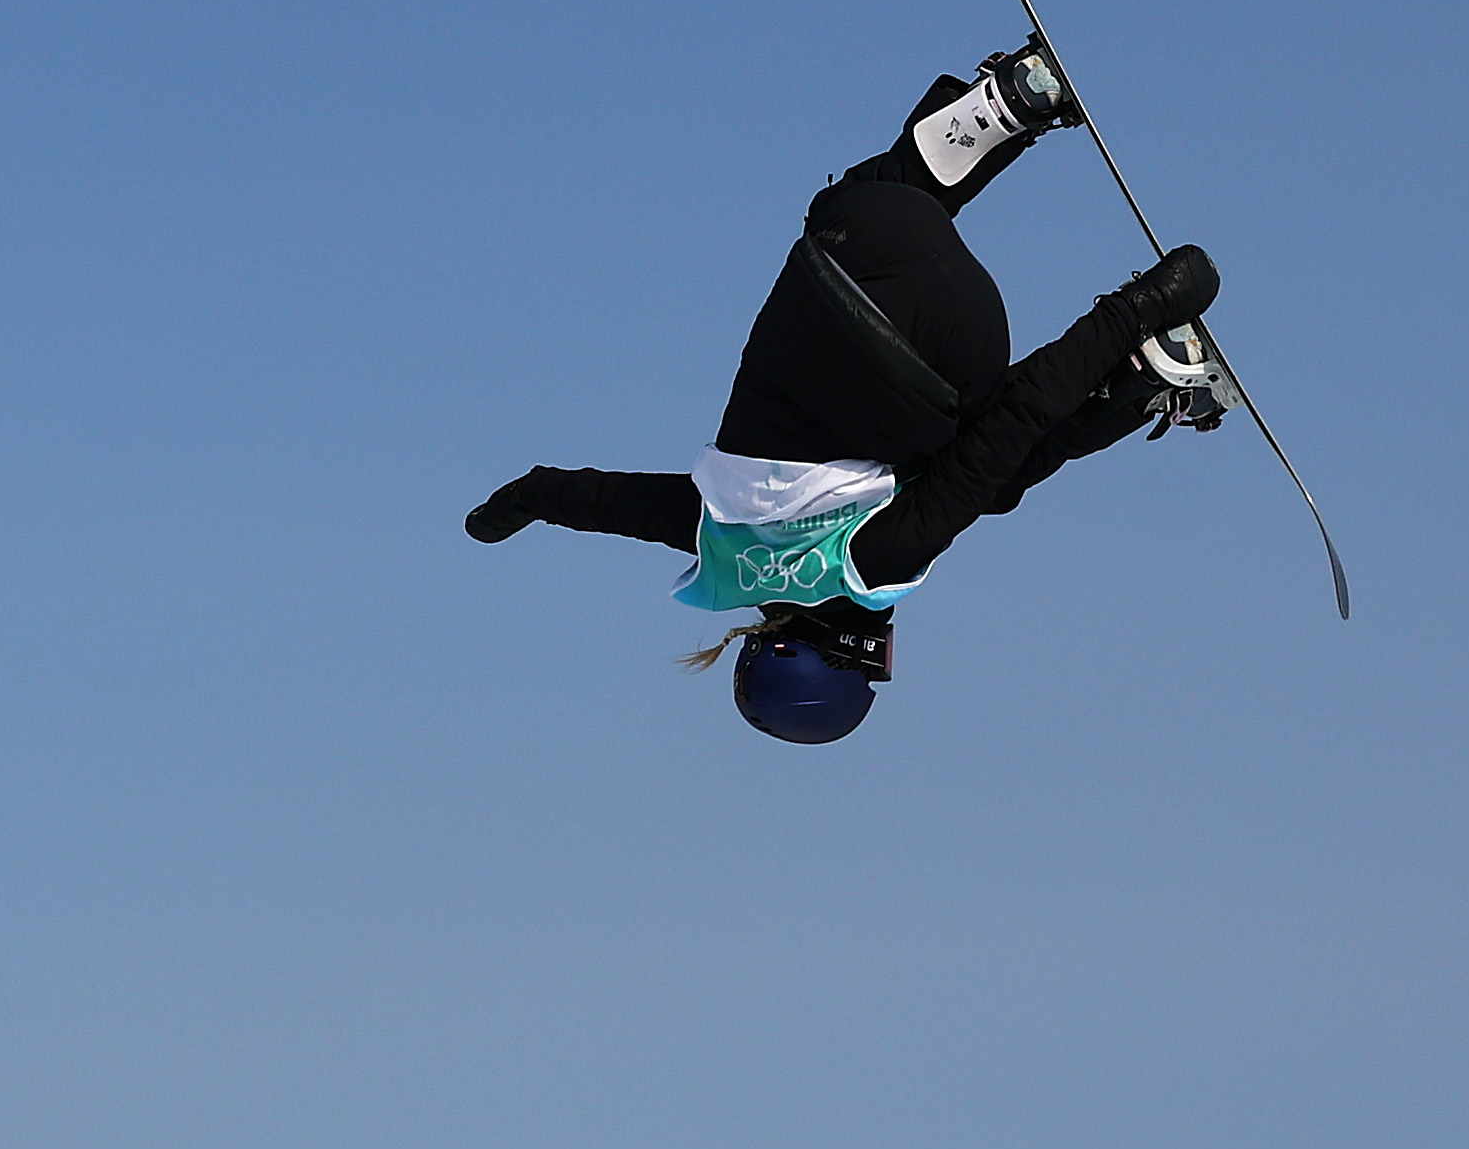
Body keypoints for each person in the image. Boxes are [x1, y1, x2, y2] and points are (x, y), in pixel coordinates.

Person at [465, 48, 1230, 743]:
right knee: (868, 207)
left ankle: (1146, 370)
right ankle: (1004, 105)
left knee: (986, 468)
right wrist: (518, 505)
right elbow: (587, 501)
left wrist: (1142, 303)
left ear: (850, 651)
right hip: (858, 237)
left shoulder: (873, 561)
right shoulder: (708, 537)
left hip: (953, 336)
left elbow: (1017, 422)